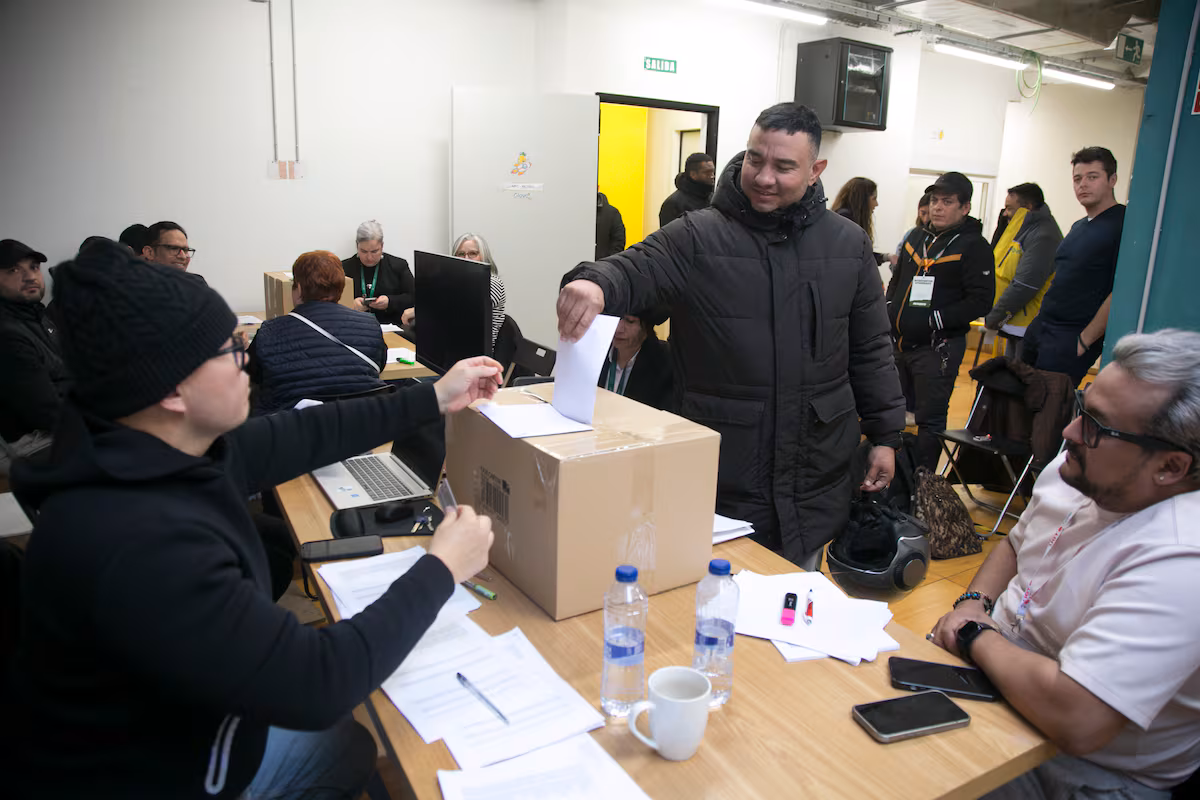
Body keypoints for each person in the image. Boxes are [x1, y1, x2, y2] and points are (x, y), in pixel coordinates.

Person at [3, 240, 501, 798]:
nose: (246, 361)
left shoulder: (151, 446)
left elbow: (303, 432)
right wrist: (440, 568)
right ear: (170, 389)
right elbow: (319, 683)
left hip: (184, 722)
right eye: (229, 351)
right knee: (350, 745)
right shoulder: (135, 541)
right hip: (156, 774)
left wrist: (433, 396)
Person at [558, 102, 904, 570]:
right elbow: (637, 265)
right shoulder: (699, 236)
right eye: (755, 159)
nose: (763, 177)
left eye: (784, 167)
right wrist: (594, 282)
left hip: (815, 472)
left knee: (791, 605)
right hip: (723, 472)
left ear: (815, 169)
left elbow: (870, 348)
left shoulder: (847, 245)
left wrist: (885, 435)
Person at [930, 329, 1200, 799]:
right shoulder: (1081, 467)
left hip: (1081, 767)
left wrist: (973, 635)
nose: (1070, 433)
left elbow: (1078, 718)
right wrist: (974, 604)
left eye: (1097, 425)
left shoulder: (1182, 557)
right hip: (998, 682)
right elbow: (1018, 544)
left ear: (1171, 467)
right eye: (1082, 409)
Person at [886, 171, 994, 471]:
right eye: (934, 200)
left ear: (965, 208)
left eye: (947, 202)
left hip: (938, 349)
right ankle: (893, 485)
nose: (937, 207)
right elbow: (898, 282)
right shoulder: (916, 237)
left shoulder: (974, 246)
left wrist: (934, 319)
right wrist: (889, 309)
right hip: (900, 345)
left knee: (929, 421)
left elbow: (981, 301)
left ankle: (923, 491)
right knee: (892, 415)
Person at [1022, 147, 1125, 387]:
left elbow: (1121, 291)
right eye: (1077, 179)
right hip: (1042, 328)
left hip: (1071, 335)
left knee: (1049, 410)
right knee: (1022, 402)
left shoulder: (1122, 224)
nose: (1083, 185)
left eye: (1092, 177)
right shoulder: (1079, 226)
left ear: (1112, 180)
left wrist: (1084, 341)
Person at [248, 250, 387, 415]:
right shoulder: (369, 325)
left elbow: (248, 375)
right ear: (341, 287)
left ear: (298, 289)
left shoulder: (270, 331)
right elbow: (379, 365)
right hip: (360, 429)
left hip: (291, 434)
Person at [0, 240, 68, 475]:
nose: (29, 276)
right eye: (13, 270)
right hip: (31, 441)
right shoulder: (7, 333)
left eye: (33, 267)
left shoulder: (37, 316)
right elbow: (45, 412)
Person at [985, 182, 1062, 334]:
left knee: (1019, 359)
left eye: (1009, 208)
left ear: (1028, 207)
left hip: (1027, 326)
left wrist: (995, 317)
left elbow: (1025, 285)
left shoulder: (1043, 236)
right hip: (1014, 322)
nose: (1005, 213)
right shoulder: (1022, 229)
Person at [597, 307, 674, 411]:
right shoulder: (597, 349)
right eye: (615, 318)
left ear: (646, 329)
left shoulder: (663, 363)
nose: (618, 329)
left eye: (629, 321)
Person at [342, 219, 415, 326]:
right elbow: (331, 301)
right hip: (354, 326)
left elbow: (414, 297)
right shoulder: (344, 268)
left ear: (382, 246)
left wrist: (391, 302)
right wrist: (349, 304)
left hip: (392, 326)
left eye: (374, 251)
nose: (369, 257)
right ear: (357, 246)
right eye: (364, 251)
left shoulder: (398, 265)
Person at [452, 233, 507, 346]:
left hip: (477, 354)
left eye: (472, 253)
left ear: (483, 256)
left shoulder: (492, 282)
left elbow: (464, 312)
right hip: (453, 346)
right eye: (461, 254)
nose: (466, 258)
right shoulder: (457, 281)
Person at [831, 176, 888, 266]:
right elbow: (857, 258)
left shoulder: (843, 218)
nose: (876, 204)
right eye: (874, 198)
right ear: (862, 199)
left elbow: (861, 255)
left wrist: (886, 257)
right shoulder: (846, 221)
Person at [658, 153, 715, 227]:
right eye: (707, 172)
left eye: (712, 172)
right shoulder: (673, 204)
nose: (712, 176)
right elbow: (669, 236)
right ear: (693, 174)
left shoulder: (713, 199)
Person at [141, 220, 206, 284]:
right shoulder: (134, 287)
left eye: (185, 250)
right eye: (174, 248)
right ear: (149, 252)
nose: (183, 256)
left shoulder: (196, 284)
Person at [595, 190, 626, 260]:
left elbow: (618, 244)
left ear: (597, 187)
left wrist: (607, 264)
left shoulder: (612, 213)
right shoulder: (573, 212)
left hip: (603, 267)